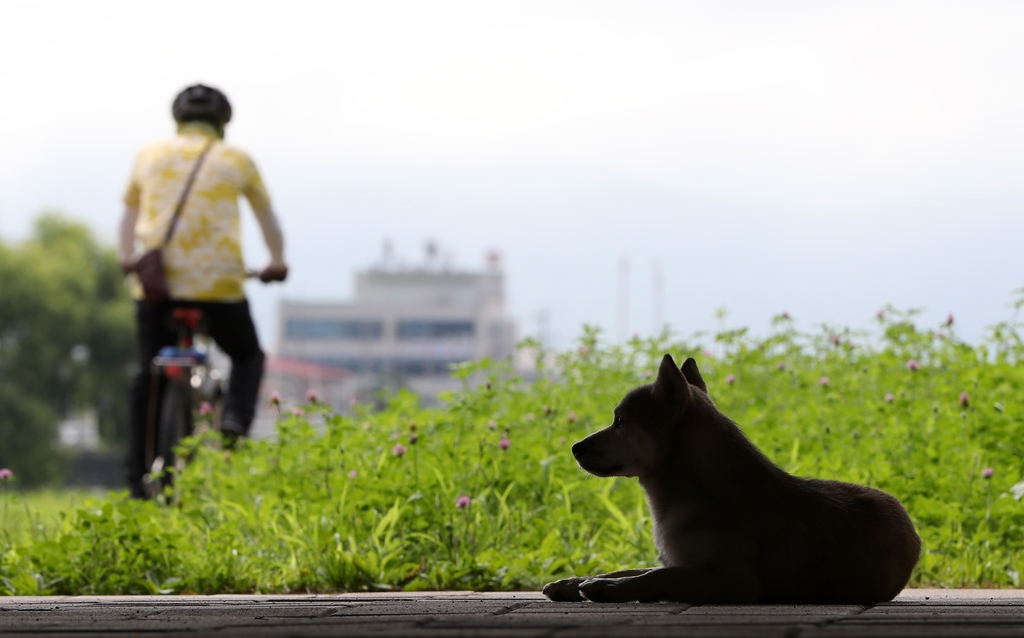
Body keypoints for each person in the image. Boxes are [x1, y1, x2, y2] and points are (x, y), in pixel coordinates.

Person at [119, 84, 287, 498]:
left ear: (178, 121)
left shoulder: (150, 155)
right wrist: (277, 261)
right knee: (247, 355)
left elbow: (127, 219)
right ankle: (233, 423)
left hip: (159, 288)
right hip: (219, 286)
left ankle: (138, 478)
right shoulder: (237, 159)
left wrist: (128, 258)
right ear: (222, 124)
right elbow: (268, 220)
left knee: (147, 374)